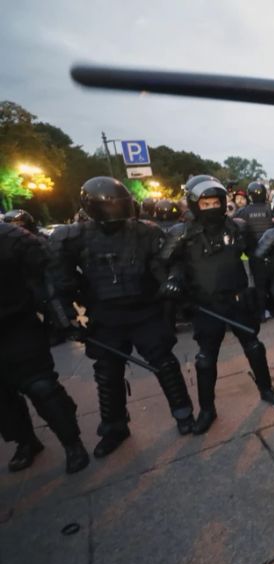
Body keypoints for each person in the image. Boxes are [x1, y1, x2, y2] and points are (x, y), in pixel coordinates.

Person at [48, 177, 196, 455]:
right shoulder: (72, 238)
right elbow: (58, 282)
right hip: (105, 313)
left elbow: (167, 263)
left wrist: (172, 281)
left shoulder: (146, 232)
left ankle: (183, 413)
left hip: (144, 309)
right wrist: (67, 318)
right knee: (107, 373)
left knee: (164, 363)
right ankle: (114, 426)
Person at [160, 175, 274, 435]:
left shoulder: (238, 227)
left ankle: (266, 388)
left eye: (215, 202)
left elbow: (254, 258)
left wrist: (259, 293)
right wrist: (175, 281)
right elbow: (168, 263)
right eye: (205, 203)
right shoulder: (182, 233)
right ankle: (207, 409)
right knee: (206, 359)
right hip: (205, 305)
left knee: (254, 346)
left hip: (237, 299)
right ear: (195, 204)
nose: (211, 208)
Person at [0, 221, 90, 473]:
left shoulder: (11, 237)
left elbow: (48, 277)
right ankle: (24, 441)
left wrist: (63, 319)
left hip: (17, 324)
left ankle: (72, 442)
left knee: (42, 387)